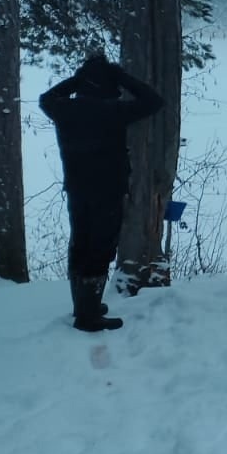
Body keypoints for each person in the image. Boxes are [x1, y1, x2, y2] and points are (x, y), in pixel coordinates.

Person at [39, 52, 164, 331]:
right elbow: (154, 101)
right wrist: (120, 76)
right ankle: (89, 315)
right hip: (107, 190)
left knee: (81, 244)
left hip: (76, 189)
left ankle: (84, 306)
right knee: (100, 248)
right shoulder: (113, 112)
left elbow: (45, 99)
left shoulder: (65, 110)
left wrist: (75, 80)